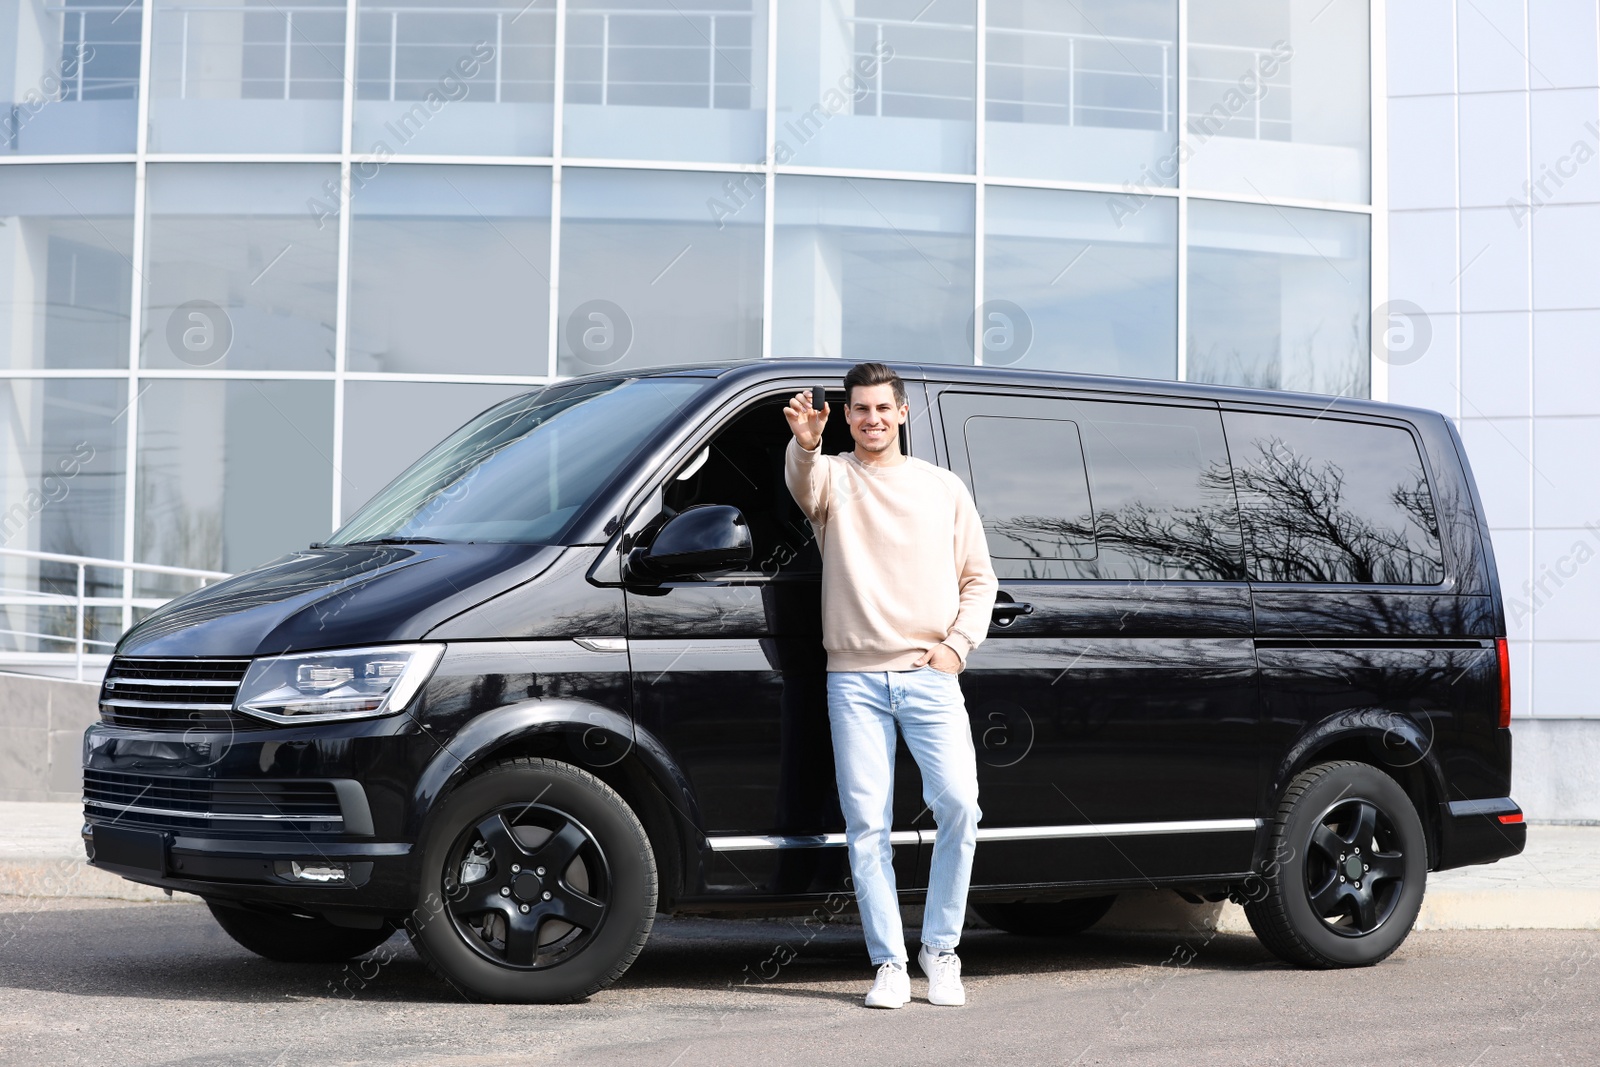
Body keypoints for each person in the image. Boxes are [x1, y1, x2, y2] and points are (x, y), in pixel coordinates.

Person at [783, 362, 997, 1009]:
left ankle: (942, 949)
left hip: (930, 677)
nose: (871, 418)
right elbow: (803, 483)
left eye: (882, 407)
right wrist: (807, 441)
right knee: (867, 823)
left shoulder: (943, 488)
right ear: (846, 416)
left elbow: (979, 580)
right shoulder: (833, 479)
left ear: (902, 412)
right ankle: (890, 963)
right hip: (853, 680)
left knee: (960, 804)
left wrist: (955, 649)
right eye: (859, 409)